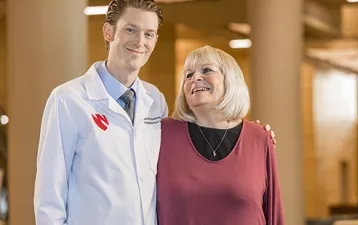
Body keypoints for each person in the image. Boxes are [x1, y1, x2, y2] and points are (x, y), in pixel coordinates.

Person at [34, 1, 276, 225]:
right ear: (109, 32)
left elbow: (190, 145)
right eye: (130, 30)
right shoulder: (68, 100)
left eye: (148, 34)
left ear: (155, 39)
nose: (140, 41)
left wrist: (247, 135)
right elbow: (49, 199)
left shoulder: (155, 101)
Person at [156, 45, 285, 225]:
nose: (196, 78)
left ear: (230, 80)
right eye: (188, 75)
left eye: (207, 70)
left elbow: (274, 213)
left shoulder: (260, 139)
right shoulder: (162, 135)